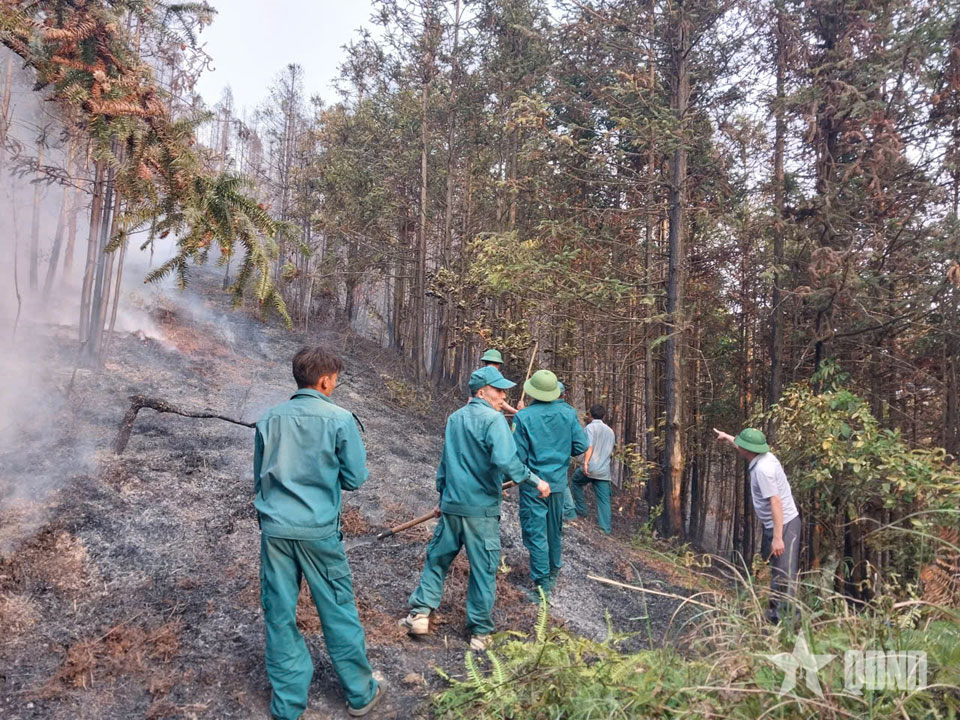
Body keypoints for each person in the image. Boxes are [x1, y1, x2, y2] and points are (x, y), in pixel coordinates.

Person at [254, 347, 382, 719]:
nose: (335, 384)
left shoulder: (269, 418)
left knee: (279, 614)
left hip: (275, 532)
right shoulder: (340, 420)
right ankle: (361, 694)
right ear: (325, 380)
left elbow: (258, 478)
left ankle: (288, 705)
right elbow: (356, 478)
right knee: (338, 610)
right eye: (336, 379)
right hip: (318, 533)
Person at [400, 365, 550, 650]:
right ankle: (480, 633)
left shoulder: (454, 418)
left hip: (453, 506)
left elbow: (445, 462)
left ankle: (420, 614)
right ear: (482, 392)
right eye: (498, 390)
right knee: (483, 570)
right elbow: (507, 462)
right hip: (480, 512)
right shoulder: (494, 421)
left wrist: (442, 496)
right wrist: (535, 481)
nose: (503, 395)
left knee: (437, 560)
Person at [513, 370, 590, 599]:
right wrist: (560, 453)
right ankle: (553, 573)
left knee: (536, 533)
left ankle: (541, 587)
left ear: (533, 392)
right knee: (554, 530)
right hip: (557, 485)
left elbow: (517, 456)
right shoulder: (568, 414)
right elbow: (581, 445)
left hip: (533, 485)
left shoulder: (523, 417)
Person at [714, 427, 801, 624]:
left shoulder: (763, 470)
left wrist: (778, 538)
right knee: (779, 571)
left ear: (749, 450)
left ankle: (787, 624)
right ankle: (775, 616)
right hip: (780, 524)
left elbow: (775, 502)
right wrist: (728, 436)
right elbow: (743, 446)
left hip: (784, 524)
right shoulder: (764, 457)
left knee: (784, 575)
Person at [570, 405, 616, 534]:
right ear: (604, 416)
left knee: (575, 482)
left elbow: (588, 446)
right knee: (604, 500)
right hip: (604, 471)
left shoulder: (590, 428)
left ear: (590, 415)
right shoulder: (610, 431)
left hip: (590, 467)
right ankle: (605, 529)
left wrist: (585, 463)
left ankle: (581, 510)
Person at [480, 348, 522, 416]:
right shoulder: (490, 377)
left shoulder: (479, 375)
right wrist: (516, 411)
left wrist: (515, 412)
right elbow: (500, 400)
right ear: (498, 364)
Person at [557, 382, 577, 522]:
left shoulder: (542, 410)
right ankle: (567, 512)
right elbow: (580, 443)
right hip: (563, 453)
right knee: (560, 481)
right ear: (564, 395)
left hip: (551, 453)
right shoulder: (570, 411)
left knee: (560, 482)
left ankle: (568, 512)